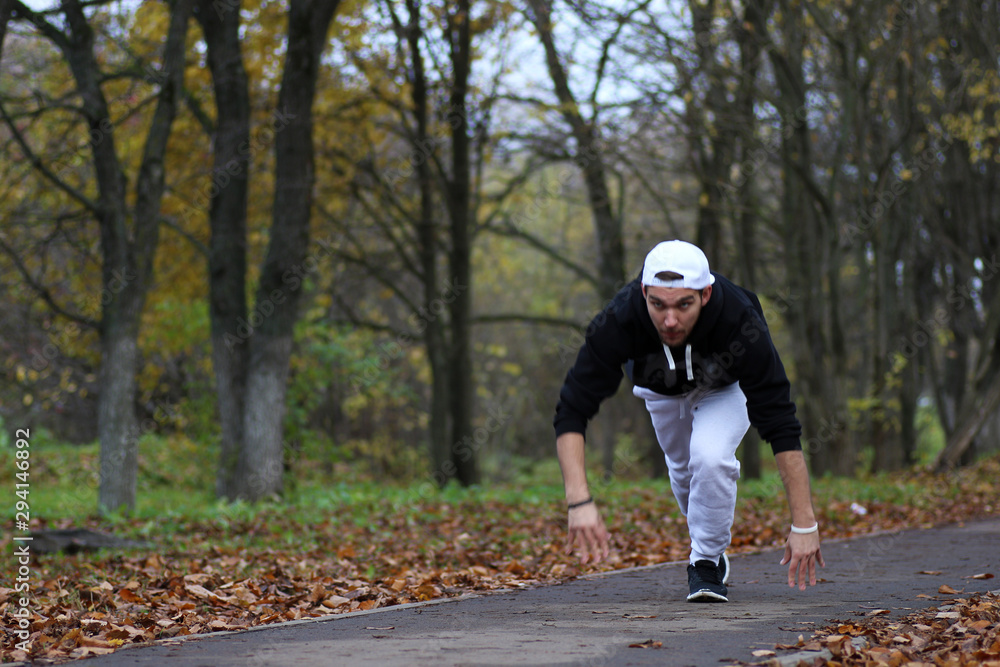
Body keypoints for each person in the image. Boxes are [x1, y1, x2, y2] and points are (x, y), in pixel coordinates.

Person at [553, 240, 824, 602]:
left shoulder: (740, 320)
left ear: (706, 294)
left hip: (723, 389)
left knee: (709, 459)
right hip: (660, 391)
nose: (669, 320)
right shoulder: (619, 319)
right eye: (658, 305)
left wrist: (804, 523)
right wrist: (579, 501)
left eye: (684, 305)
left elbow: (780, 422)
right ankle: (706, 540)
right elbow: (572, 408)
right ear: (644, 292)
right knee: (684, 471)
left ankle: (706, 563)